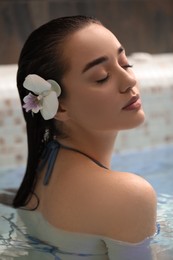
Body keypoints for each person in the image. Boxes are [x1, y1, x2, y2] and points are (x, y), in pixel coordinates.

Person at [12, 15, 158, 259]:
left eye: (125, 63)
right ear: (59, 108)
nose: (129, 80)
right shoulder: (129, 196)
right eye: (102, 77)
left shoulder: (43, 164)